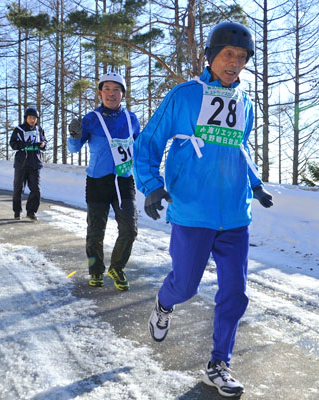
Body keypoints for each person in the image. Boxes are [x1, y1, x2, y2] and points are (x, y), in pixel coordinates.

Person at [133, 21, 274, 398]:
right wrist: (150, 186)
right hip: (192, 211)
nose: (234, 63)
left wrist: (256, 184)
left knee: (236, 293)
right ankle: (164, 304)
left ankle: (219, 363)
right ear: (210, 56)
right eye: (228, 54)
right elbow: (148, 143)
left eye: (242, 57)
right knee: (185, 285)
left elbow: (240, 148)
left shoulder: (245, 103)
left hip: (234, 214)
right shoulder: (183, 96)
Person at [68, 72, 140, 291]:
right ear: (100, 93)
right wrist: (74, 135)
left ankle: (117, 268)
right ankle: (95, 270)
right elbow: (73, 149)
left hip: (124, 181)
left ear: (123, 94)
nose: (111, 94)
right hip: (98, 181)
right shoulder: (90, 119)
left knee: (130, 228)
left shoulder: (131, 119)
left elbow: (139, 148)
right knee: (95, 232)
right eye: (107, 89)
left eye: (116, 89)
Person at [10, 106, 47, 221]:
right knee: (18, 188)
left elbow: (44, 141)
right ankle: (17, 212)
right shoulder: (19, 129)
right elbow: (12, 144)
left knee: (36, 189)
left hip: (35, 163)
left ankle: (31, 212)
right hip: (21, 163)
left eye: (35, 118)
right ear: (26, 118)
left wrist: (43, 144)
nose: (32, 120)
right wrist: (24, 145)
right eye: (30, 118)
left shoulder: (39, 129)